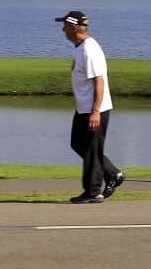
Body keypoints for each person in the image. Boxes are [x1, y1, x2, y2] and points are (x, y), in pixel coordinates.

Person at [56, 11, 125, 204]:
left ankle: (94, 192)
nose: (62, 30)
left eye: (64, 26)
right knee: (79, 144)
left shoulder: (89, 49)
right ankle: (113, 174)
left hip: (95, 110)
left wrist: (95, 111)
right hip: (83, 108)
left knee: (92, 149)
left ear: (73, 27)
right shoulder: (80, 48)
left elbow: (99, 81)